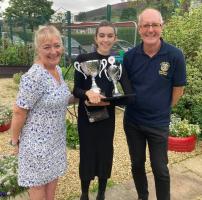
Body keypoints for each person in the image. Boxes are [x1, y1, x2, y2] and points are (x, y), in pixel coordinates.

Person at [123, 8, 186, 200]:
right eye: (145, 25)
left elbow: (178, 88)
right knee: (137, 164)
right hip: (133, 122)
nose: (150, 30)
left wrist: (163, 109)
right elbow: (125, 87)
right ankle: (143, 196)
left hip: (158, 123)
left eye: (154, 25)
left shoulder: (175, 55)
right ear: (139, 29)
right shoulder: (130, 57)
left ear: (161, 27)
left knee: (160, 167)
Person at [10, 25, 73, 200]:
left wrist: (87, 95)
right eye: (47, 47)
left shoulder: (57, 70)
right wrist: (14, 142)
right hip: (37, 146)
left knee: (52, 186)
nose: (54, 51)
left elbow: (62, 98)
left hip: (56, 141)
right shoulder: (34, 76)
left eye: (57, 45)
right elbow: (18, 111)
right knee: (38, 190)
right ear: (38, 49)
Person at [73, 21, 133, 200]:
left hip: (107, 117)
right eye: (102, 35)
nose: (105, 39)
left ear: (115, 38)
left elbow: (127, 90)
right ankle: (84, 193)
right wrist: (87, 93)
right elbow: (76, 90)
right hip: (87, 117)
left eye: (110, 36)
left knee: (105, 152)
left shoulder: (118, 63)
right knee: (87, 152)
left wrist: (122, 98)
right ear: (95, 38)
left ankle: (101, 193)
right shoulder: (83, 60)